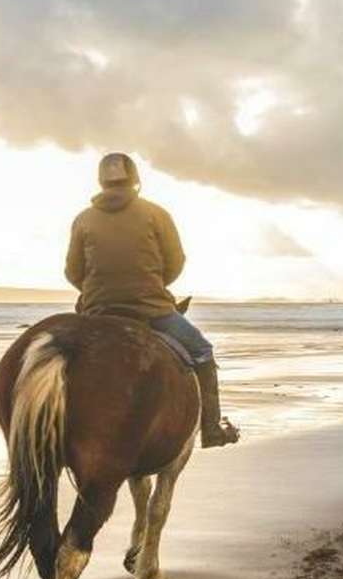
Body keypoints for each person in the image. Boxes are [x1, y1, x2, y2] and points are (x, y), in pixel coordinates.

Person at [64, 152, 238, 447]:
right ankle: (211, 429)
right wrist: (150, 286)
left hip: (97, 310)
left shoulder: (83, 219)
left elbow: (72, 271)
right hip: (151, 309)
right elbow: (175, 262)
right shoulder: (156, 214)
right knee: (203, 352)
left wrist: (97, 292)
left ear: (101, 181)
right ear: (134, 179)